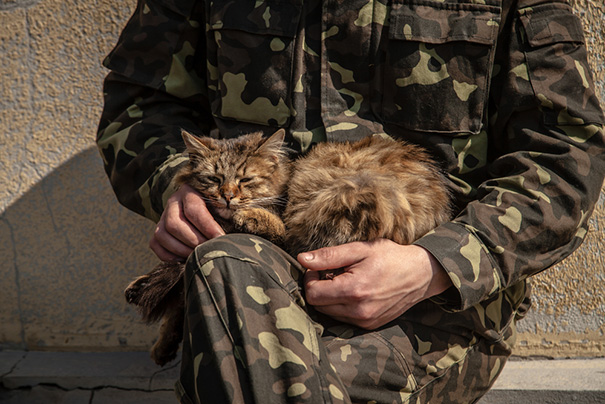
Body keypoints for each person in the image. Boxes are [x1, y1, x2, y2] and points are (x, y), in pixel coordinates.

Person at [97, 0, 605, 402]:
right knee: (226, 270)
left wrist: (438, 264)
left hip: (429, 296)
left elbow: (565, 154)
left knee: (281, 381)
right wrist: (177, 184)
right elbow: (138, 106)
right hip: (254, 256)